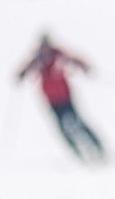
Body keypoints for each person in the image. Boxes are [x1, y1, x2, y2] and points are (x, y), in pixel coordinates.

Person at [16, 34, 104, 162]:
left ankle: (97, 147)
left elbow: (74, 60)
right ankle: (76, 153)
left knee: (77, 121)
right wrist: (20, 76)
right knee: (62, 127)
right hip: (51, 100)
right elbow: (23, 71)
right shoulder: (37, 59)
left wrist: (85, 67)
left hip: (65, 97)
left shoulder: (57, 54)